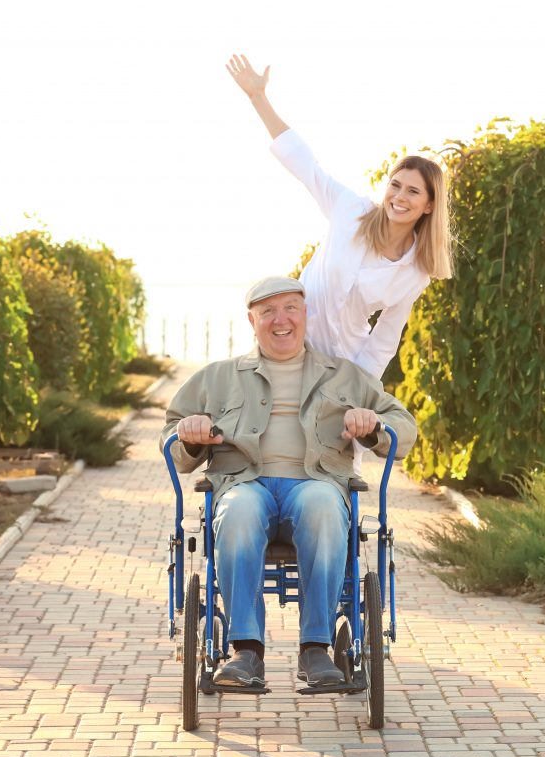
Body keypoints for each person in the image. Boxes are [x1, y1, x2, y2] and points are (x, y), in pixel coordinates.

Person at [160, 275, 416, 690]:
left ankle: (315, 647)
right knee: (237, 510)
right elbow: (171, 435)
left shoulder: (344, 377)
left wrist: (374, 424)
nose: (281, 320)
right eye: (268, 311)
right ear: (252, 320)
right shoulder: (218, 377)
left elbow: (403, 426)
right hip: (244, 483)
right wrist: (191, 430)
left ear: (305, 313)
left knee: (321, 506)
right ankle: (245, 650)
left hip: (315, 483)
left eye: (290, 308)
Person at [226, 53, 453, 382]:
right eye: (395, 185)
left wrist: (357, 391)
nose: (400, 197)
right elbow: (305, 165)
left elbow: (384, 340)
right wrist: (258, 97)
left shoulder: (416, 271)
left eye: (413, 192)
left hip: (343, 365)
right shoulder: (351, 210)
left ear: (430, 206)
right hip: (288, 347)